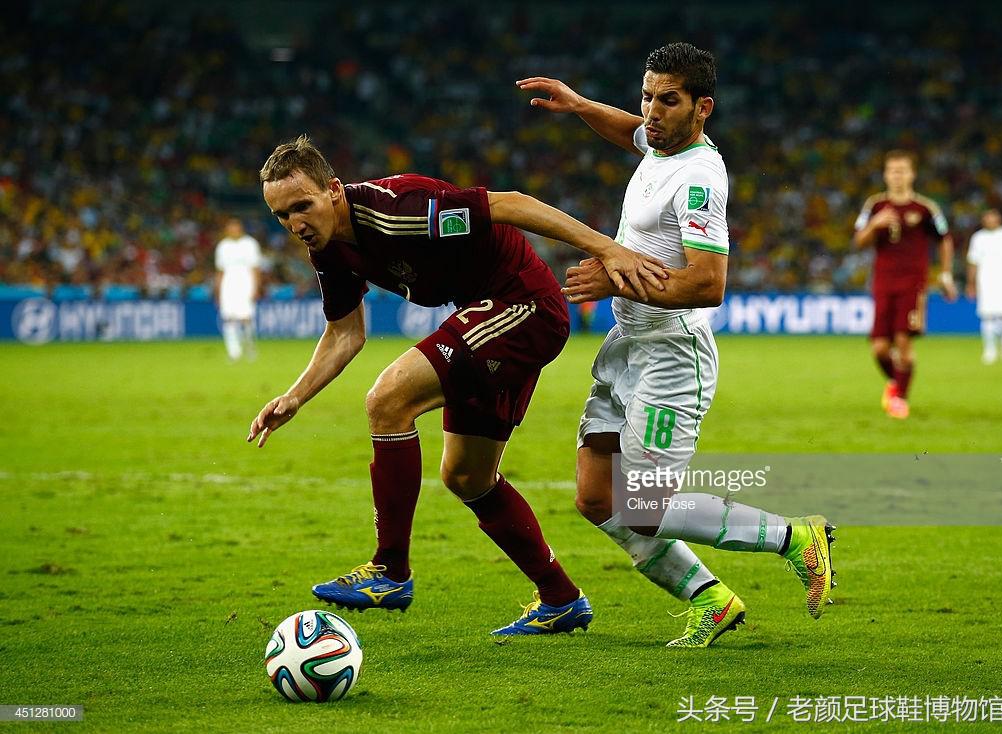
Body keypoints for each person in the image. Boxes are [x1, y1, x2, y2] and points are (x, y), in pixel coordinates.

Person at [247, 134, 667, 636]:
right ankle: (560, 598)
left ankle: (389, 570)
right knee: (467, 476)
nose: (295, 224)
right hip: (485, 314)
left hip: (522, 305)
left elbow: (511, 204)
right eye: (281, 216)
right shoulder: (330, 249)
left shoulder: (399, 209)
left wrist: (607, 249)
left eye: (302, 206)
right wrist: (295, 396)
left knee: (388, 398)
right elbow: (345, 333)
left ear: (334, 190)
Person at [517, 42, 835, 649]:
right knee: (596, 497)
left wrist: (614, 275)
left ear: (702, 108)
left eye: (668, 101)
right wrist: (582, 104)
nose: (650, 113)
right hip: (626, 343)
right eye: (647, 97)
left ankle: (797, 537)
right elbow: (630, 132)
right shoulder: (661, 143)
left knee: (645, 505)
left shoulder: (697, 180)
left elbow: (707, 282)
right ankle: (710, 600)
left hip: (672, 353)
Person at [853, 150, 957, 419]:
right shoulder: (874, 206)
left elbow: (944, 239)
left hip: (913, 283)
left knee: (903, 341)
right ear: (886, 175)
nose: (897, 175)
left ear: (912, 174)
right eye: (892, 170)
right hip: (883, 282)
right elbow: (858, 241)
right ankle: (896, 383)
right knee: (879, 348)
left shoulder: (925, 209)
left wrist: (945, 274)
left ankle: (899, 398)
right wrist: (875, 225)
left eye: (902, 170)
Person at [966, 209, 1002, 364]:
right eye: (987, 217)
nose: (990, 220)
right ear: (983, 220)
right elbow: (973, 262)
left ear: (999, 219)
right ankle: (989, 349)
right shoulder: (978, 238)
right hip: (985, 280)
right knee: (987, 316)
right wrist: (970, 283)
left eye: (993, 217)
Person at [214, 218, 262, 361]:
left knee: (246, 318)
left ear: (241, 229)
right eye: (230, 228)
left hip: (245, 282)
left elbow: (255, 268)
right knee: (228, 319)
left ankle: (249, 347)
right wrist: (217, 291)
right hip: (228, 284)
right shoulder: (222, 246)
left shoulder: (250, 244)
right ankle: (233, 352)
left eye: (236, 227)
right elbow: (220, 271)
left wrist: (256, 287)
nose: (233, 230)